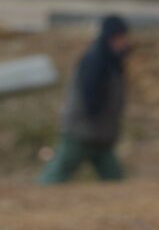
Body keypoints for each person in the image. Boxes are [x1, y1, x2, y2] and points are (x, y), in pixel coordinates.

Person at [39, 16, 131, 185]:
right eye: (123, 37)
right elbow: (90, 94)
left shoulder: (110, 58)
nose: (126, 42)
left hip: (99, 134)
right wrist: (94, 117)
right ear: (113, 36)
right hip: (83, 131)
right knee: (55, 175)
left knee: (114, 179)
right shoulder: (96, 59)